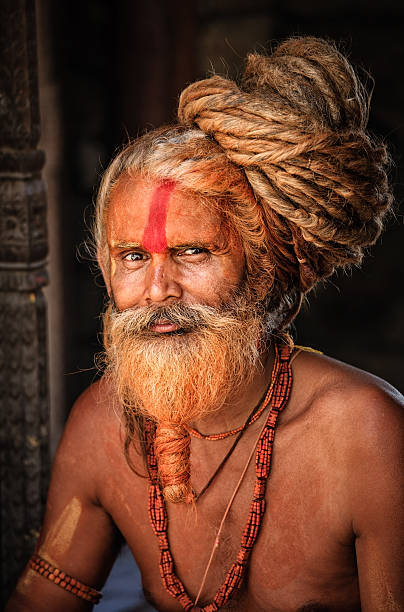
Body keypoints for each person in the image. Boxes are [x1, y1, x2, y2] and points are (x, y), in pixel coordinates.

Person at [6, 36, 404, 612]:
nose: (157, 290)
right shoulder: (102, 425)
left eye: (192, 252)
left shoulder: (367, 436)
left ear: (263, 265)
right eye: (133, 258)